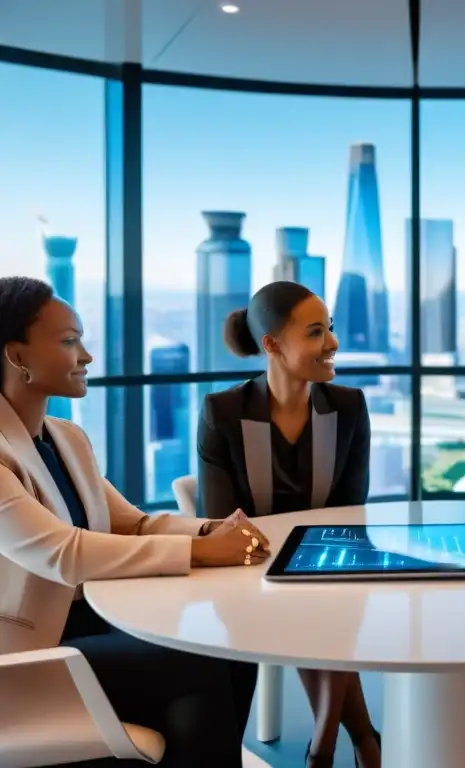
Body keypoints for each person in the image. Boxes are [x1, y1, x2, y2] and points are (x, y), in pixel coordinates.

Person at [0, 277, 268, 768]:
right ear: (16, 355)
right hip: (25, 654)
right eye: (68, 341)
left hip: (93, 624)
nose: (86, 356)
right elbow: (64, 553)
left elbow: (131, 524)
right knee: (196, 663)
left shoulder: (66, 438)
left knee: (229, 648)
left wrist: (209, 531)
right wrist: (204, 553)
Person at [197, 280, 380, 768]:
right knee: (311, 601)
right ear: (273, 346)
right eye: (316, 333)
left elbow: (349, 514)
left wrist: (311, 560)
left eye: (331, 329)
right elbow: (222, 524)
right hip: (248, 575)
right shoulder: (224, 413)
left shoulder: (348, 407)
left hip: (328, 563)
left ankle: (325, 747)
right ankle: (355, 742)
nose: (333, 344)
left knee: (324, 592)